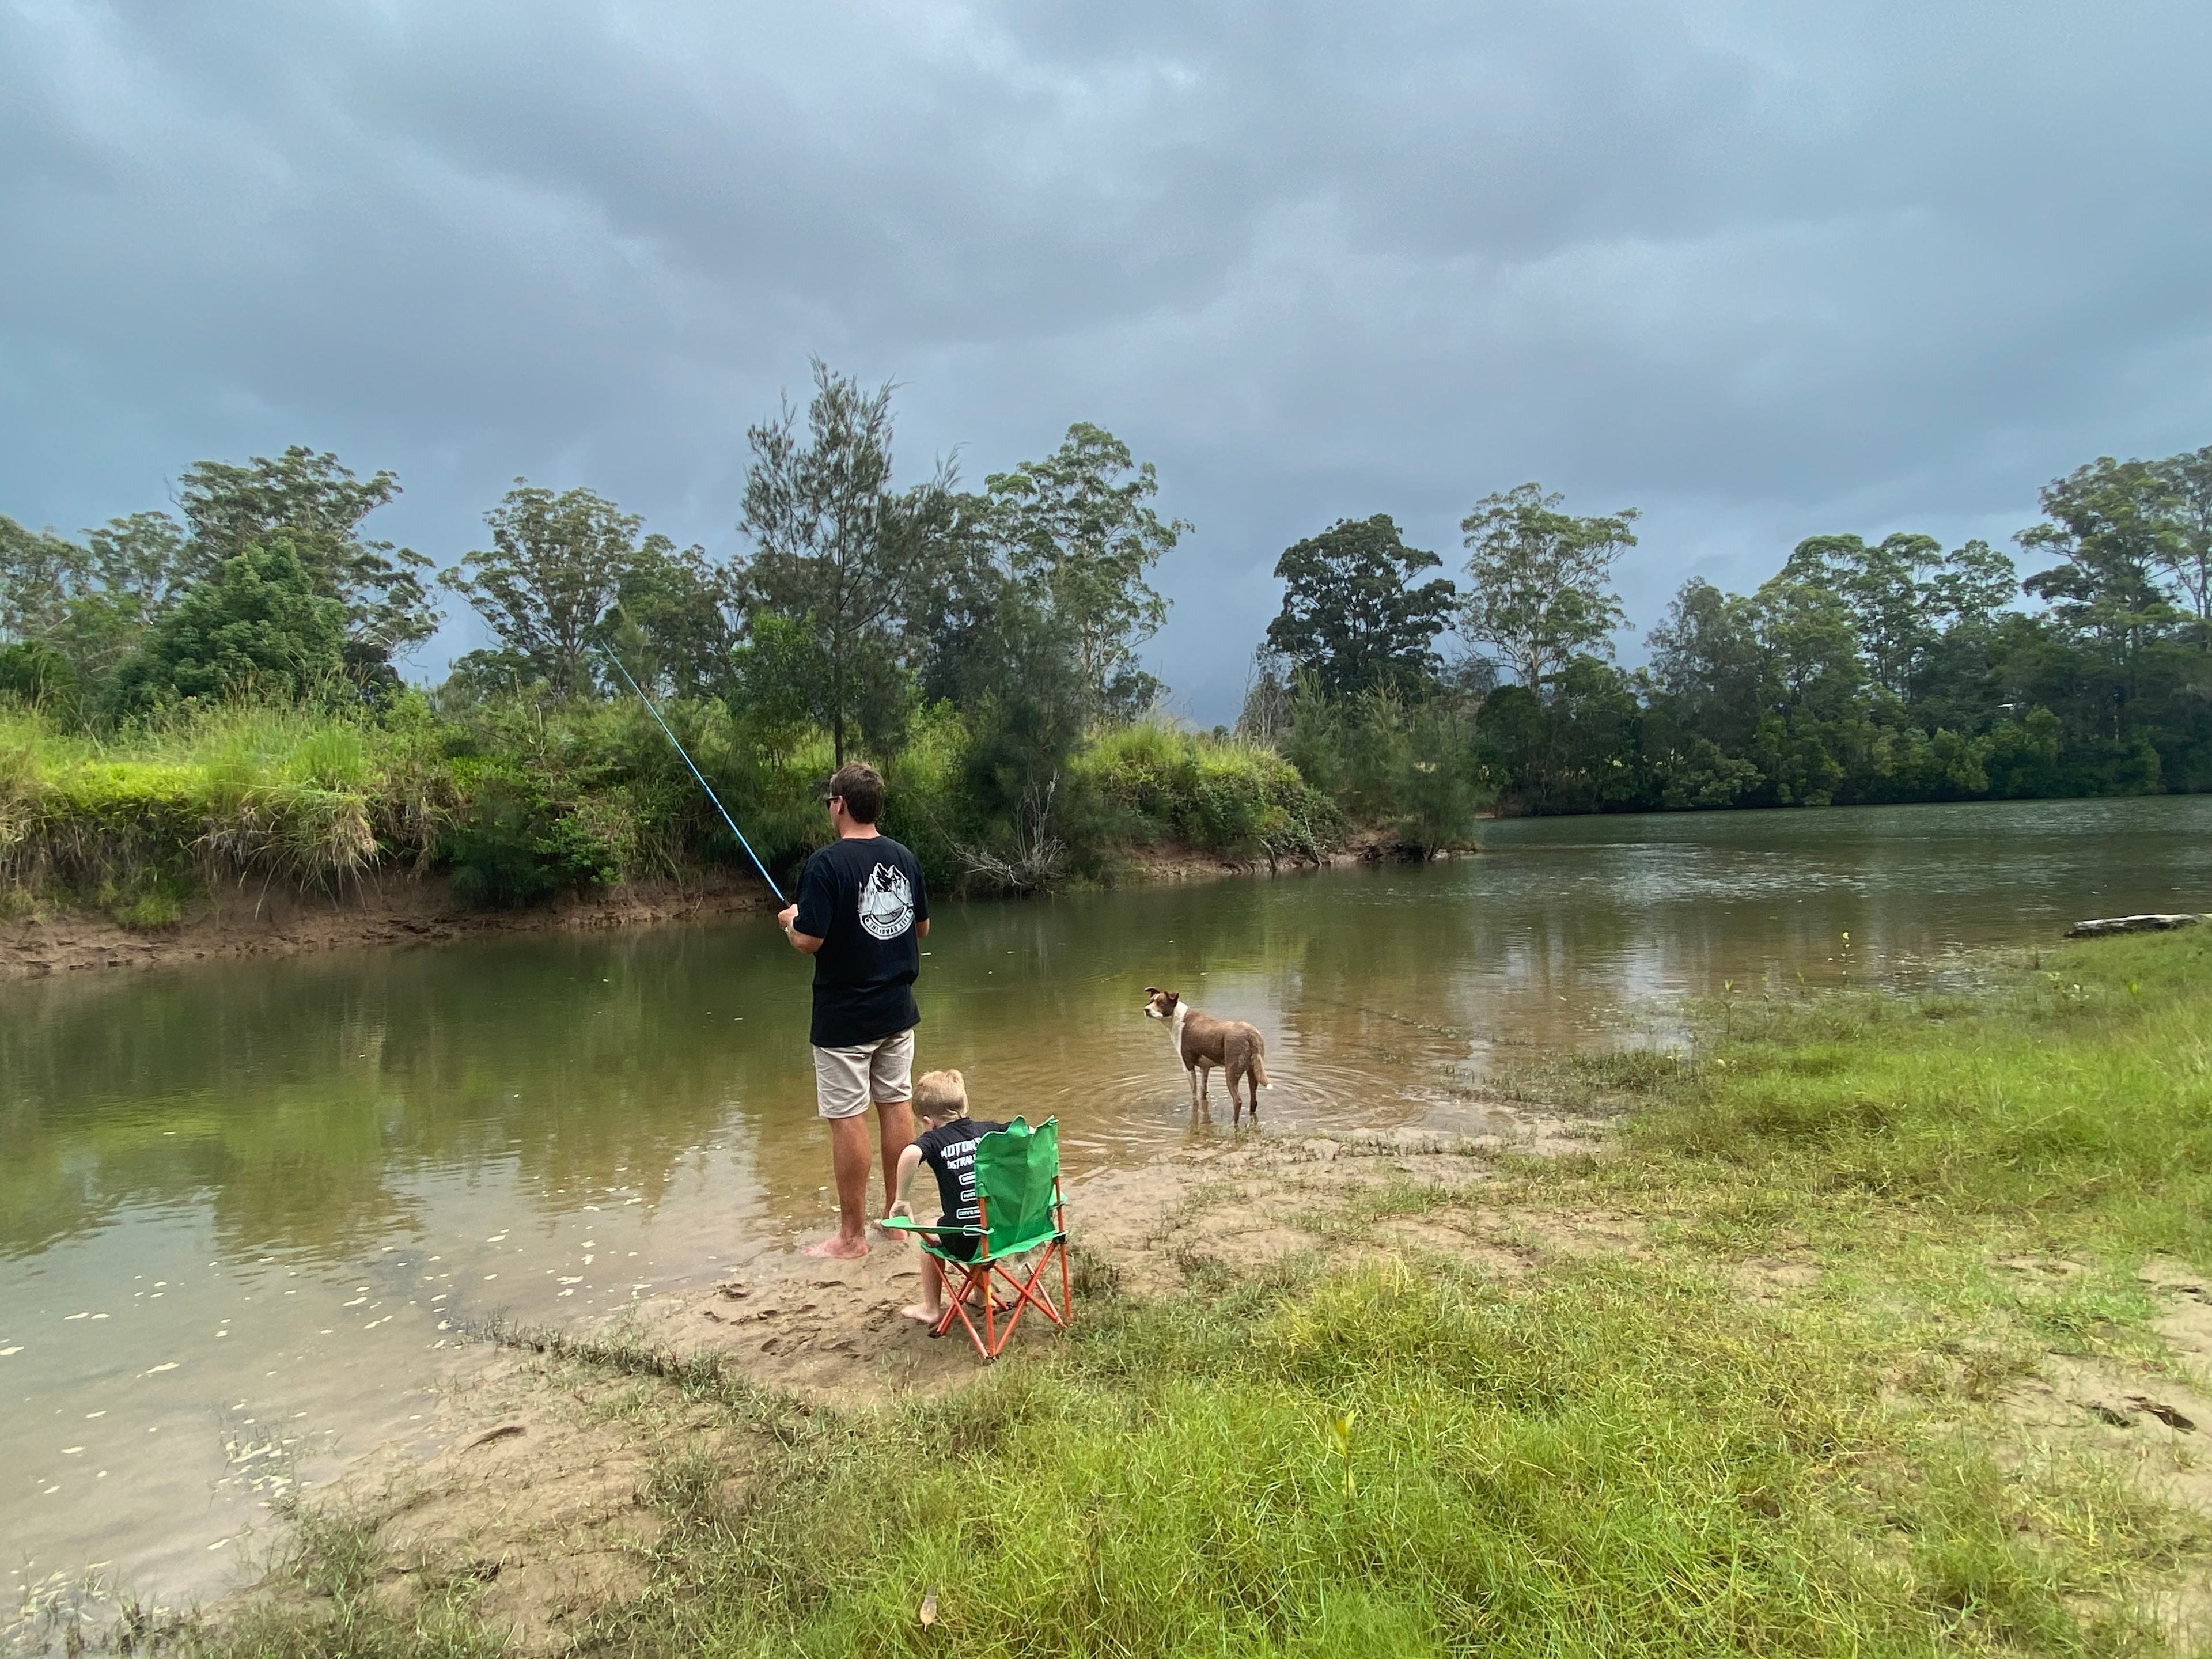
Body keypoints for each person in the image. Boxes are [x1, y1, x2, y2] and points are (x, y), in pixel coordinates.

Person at [777, 760, 931, 1260]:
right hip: (897, 1013)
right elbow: (921, 928)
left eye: (829, 801)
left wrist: (790, 922)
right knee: (895, 1107)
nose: (829, 808)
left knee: (848, 1118)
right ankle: (897, 1222)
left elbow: (808, 940)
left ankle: (851, 1238)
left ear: (839, 804)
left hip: (845, 1019)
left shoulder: (825, 864)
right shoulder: (904, 857)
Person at [887, 1069, 1007, 1325]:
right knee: (983, 1215)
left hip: (968, 1239)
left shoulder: (934, 1139)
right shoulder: (988, 1130)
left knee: (930, 1234)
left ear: (928, 1122)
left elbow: (909, 1154)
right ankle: (981, 1296)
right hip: (1005, 1231)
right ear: (964, 1105)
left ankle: (931, 1308)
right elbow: (1028, 1131)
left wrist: (902, 1198)